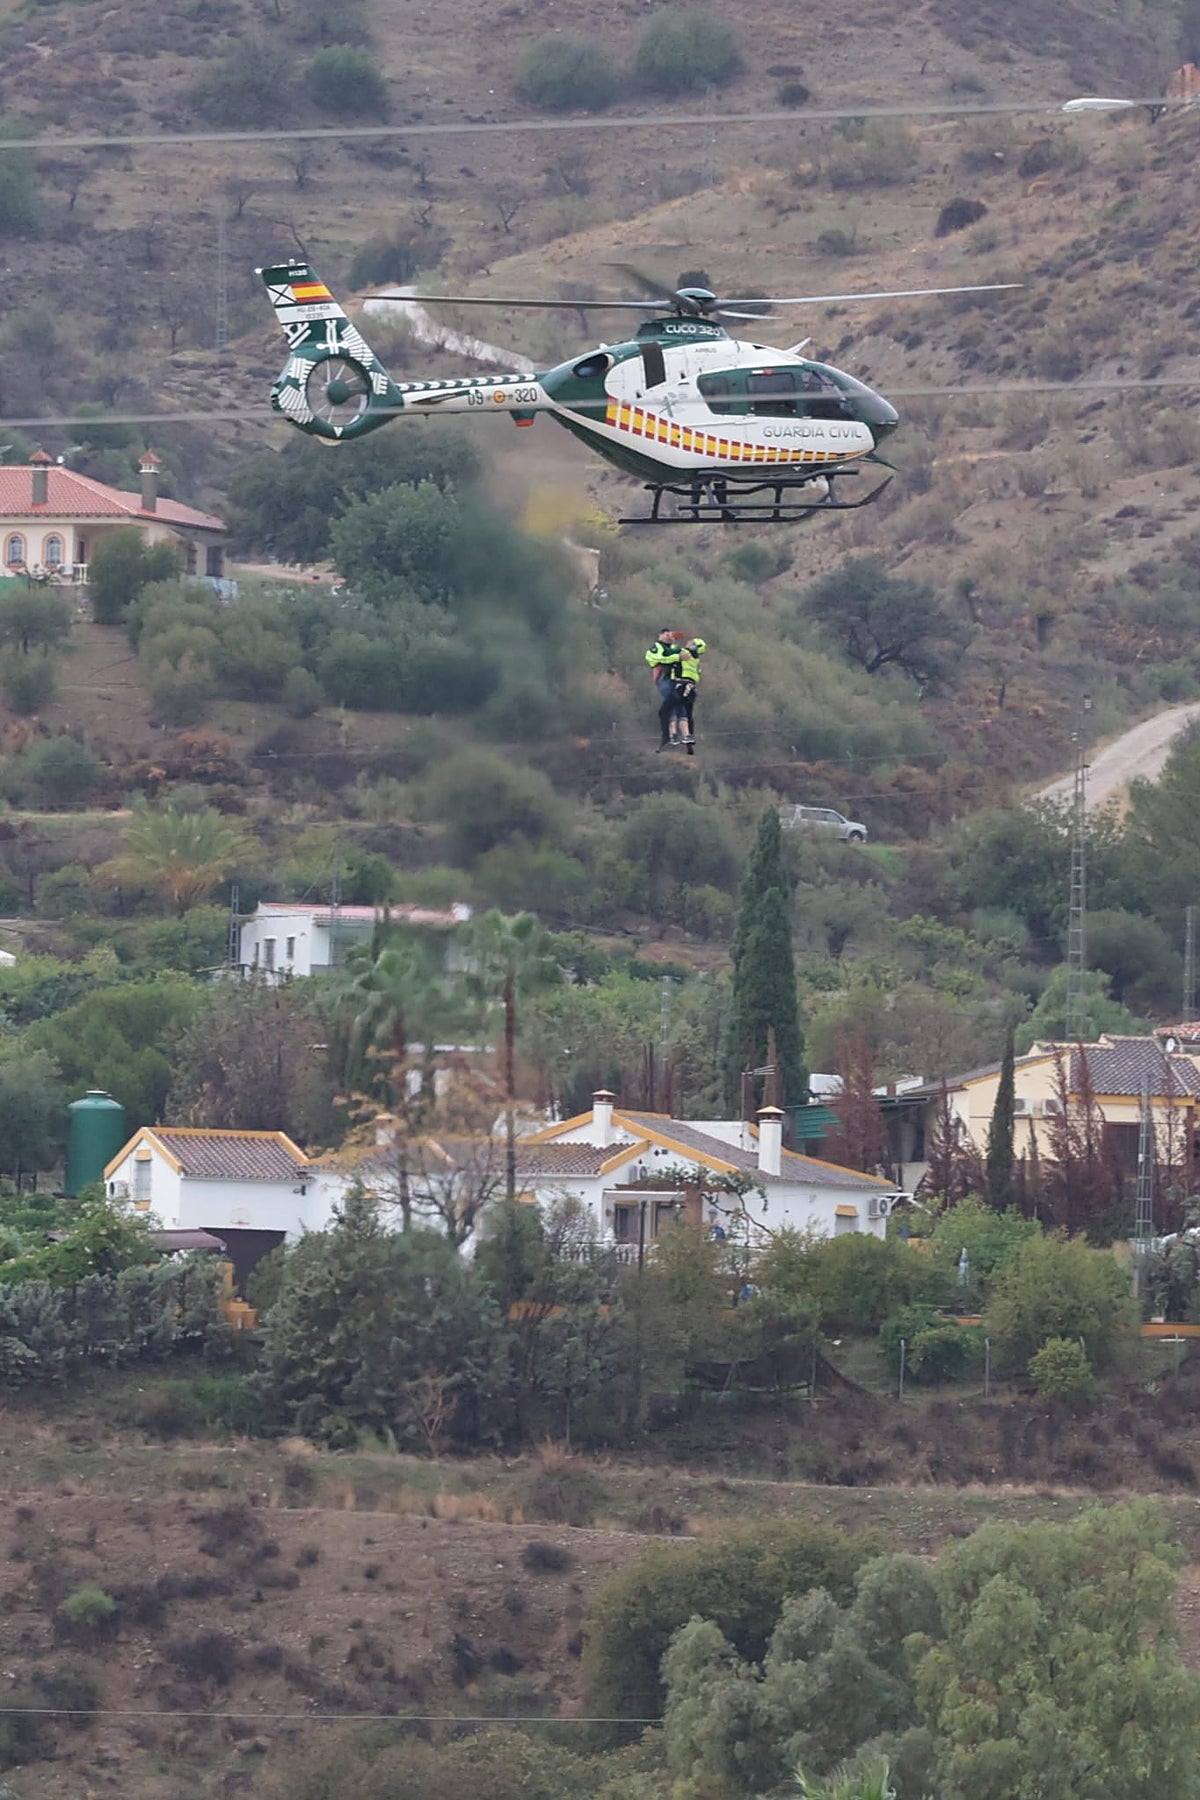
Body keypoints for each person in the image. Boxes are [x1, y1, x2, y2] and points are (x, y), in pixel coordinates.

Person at [645, 627, 684, 750]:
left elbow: (679, 652)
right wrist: (677, 657)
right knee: (671, 704)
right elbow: (660, 659)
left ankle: (679, 734)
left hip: (674, 680)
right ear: (660, 635)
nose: (669, 637)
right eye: (666, 635)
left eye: (670, 635)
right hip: (664, 679)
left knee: (678, 705)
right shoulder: (656, 648)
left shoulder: (671, 648)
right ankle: (672, 733)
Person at [675, 636, 706, 753]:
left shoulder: (684, 654)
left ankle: (682, 735)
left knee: (679, 710)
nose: (687, 643)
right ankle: (690, 737)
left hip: (682, 685)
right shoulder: (696, 659)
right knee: (689, 713)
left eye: (690, 642)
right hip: (691, 688)